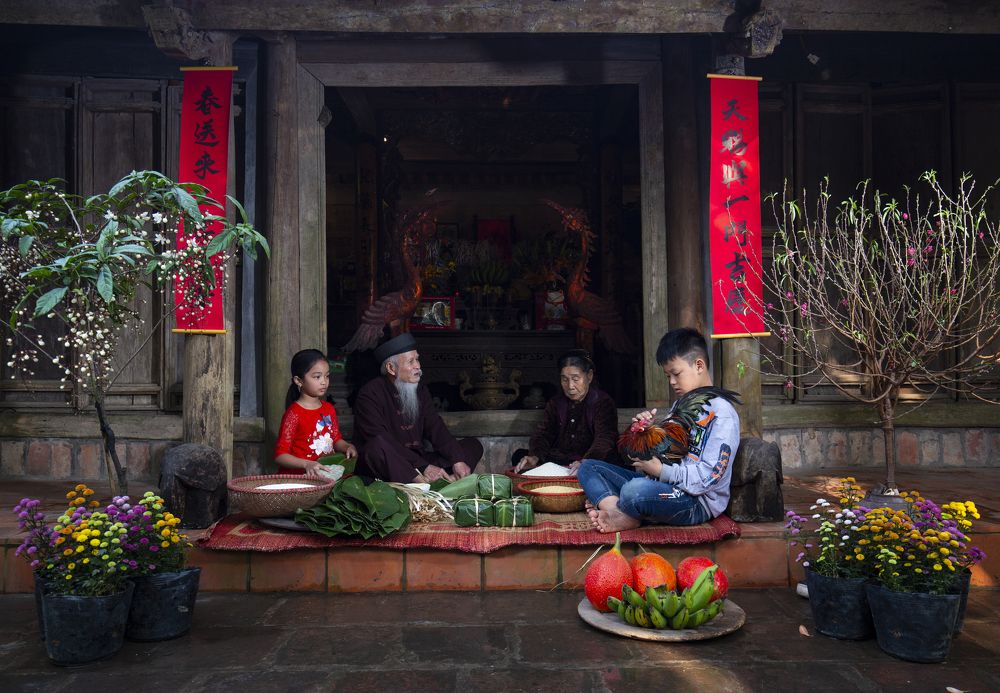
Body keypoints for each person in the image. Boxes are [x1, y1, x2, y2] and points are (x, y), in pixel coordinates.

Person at [578, 328, 740, 531]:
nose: (672, 382)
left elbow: (710, 477)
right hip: (661, 485)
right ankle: (619, 513)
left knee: (634, 491)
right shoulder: (681, 405)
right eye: (667, 376)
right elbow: (662, 458)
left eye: (676, 373)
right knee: (588, 468)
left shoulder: (722, 413)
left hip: (695, 502)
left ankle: (623, 508)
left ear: (699, 365)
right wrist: (645, 433)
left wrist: (662, 472)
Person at [353, 332, 483, 483]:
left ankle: (447, 480)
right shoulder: (370, 394)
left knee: (472, 445)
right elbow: (381, 440)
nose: (418, 366)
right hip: (392, 463)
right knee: (377, 446)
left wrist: (457, 460)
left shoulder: (419, 389)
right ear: (391, 368)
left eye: (417, 359)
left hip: (419, 460)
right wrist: (424, 467)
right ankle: (424, 485)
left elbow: (435, 427)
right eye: (411, 361)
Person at [511, 349, 620, 475]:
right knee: (520, 457)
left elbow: (605, 438)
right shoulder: (556, 402)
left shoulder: (602, 402)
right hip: (561, 460)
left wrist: (587, 461)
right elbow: (544, 433)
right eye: (564, 380)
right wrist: (535, 456)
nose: (570, 386)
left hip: (589, 460)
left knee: (609, 461)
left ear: (589, 376)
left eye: (575, 379)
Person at [274, 349, 357, 477]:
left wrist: (347, 446)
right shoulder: (294, 414)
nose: (324, 381)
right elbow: (280, 456)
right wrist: (307, 464)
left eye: (327, 376)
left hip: (326, 476)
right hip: (301, 479)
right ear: (299, 381)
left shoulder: (328, 409)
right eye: (317, 377)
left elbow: (335, 439)